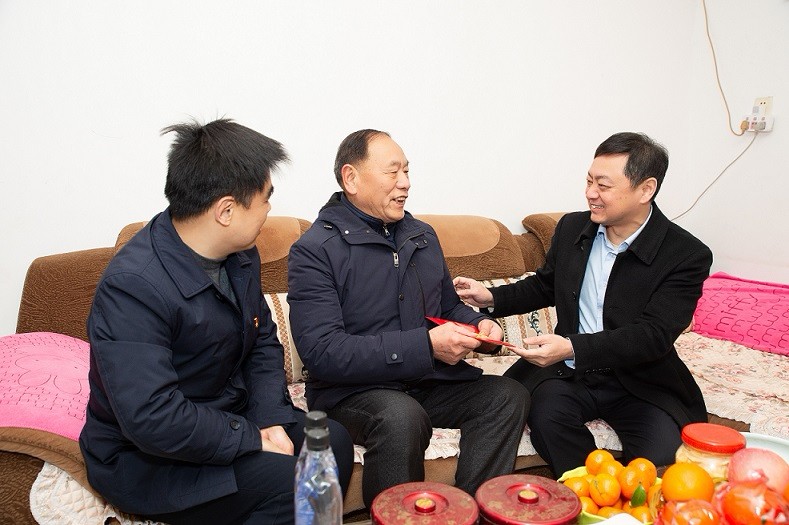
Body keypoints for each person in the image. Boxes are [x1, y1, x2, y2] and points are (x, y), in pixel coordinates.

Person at [79, 119, 354, 525]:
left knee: (332, 443)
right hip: (150, 458)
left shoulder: (240, 255)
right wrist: (250, 439)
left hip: (226, 417)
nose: (269, 210)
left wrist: (269, 418)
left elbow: (262, 340)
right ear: (226, 210)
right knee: (295, 483)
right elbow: (152, 417)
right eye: (265, 198)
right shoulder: (133, 287)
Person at [287, 129, 529, 508]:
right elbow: (323, 352)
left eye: (407, 171)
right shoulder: (316, 250)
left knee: (506, 396)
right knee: (401, 416)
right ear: (351, 178)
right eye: (393, 172)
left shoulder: (421, 236)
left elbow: (447, 307)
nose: (405, 183)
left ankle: (470, 511)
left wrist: (479, 326)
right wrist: (425, 346)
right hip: (353, 392)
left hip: (426, 381)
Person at [453, 132, 713, 476]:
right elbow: (546, 285)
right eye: (589, 181)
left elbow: (652, 336)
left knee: (663, 462)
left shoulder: (686, 255)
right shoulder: (573, 228)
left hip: (641, 379)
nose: (591, 193)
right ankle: (590, 492)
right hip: (570, 373)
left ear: (645, 189)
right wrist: (491, 298)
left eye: (603, 185)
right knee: (547, 419)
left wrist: (571, 346)